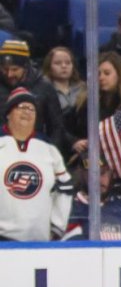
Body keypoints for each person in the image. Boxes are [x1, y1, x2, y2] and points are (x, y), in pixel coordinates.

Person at [67, 52, 121, 214]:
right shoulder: (86, 103)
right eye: (98, 74)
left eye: (107, 73)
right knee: (76, 178)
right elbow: (65, 129)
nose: (101, 78)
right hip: (93, 159)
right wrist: (74, 141)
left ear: (119, 75)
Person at [0, 88, 72, 242]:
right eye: (21, 107)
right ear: (8, 114)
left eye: (31, 109)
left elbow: (65, 187)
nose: (27, 112)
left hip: (40, 242)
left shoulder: (48, 148)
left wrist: (57, 226)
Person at [0, 37, 68, 156]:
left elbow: (56, 127)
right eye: (5, 69)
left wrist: (51, 154)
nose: (9, 74)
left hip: (36, 152)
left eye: (15, 69)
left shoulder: (44, 86)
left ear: (25, 66)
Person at [64, 152, 121, 241]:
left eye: (102, 173)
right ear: (81, 175)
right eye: (92, 174)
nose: (97, 179)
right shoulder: (69, 209)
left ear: (111, 174)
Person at [42, 45, 86, 122]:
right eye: (58, 63)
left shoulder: (84, 88)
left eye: (68, 63)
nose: (64, 66)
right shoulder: (43, 90)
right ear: (49, 67)